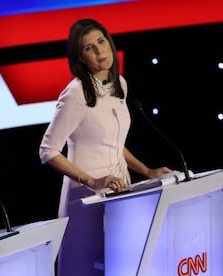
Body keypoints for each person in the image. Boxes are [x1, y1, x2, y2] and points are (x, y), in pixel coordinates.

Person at [38, 19, 172, 275]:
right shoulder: (75, 94)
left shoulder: (119, 83)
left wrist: (147, 171)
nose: (100, 51)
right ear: (80, 58)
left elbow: (115, 143)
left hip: (122, 193)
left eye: (101, 41)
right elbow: (48, 150)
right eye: (89, 48)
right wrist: (92, 181)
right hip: (85, 198)